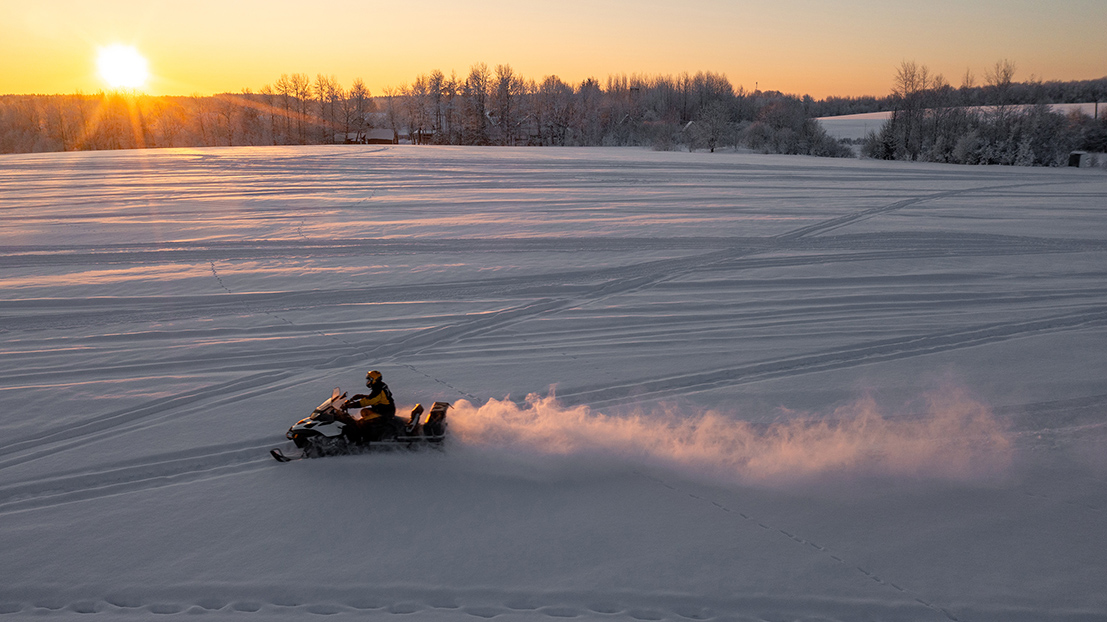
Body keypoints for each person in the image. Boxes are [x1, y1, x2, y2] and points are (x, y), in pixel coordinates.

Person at [344, 370, 396, 442]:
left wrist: (350, 405)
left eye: (369, 380)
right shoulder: (379, 386)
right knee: (364, 412)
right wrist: (360, 396)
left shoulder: (378, 389)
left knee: (362, 423)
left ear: (374, 379)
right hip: (383, 409)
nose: (368, 382)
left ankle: (365, 442)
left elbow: (369, 401)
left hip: (384, 413)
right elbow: (373, 398)